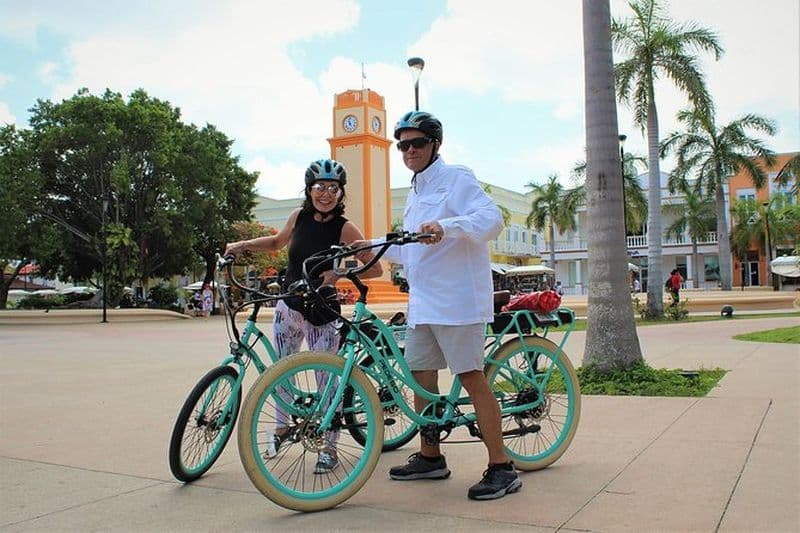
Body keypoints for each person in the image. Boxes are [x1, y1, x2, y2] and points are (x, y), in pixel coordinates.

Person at [354, 111, 519, 501]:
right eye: (403, 145)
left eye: (417, 143)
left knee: (471, 377)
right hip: (424, 304)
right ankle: (431, 457)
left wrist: (447, 227)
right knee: (421, 377)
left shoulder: (456, 178)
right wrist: (369, 246)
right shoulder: (415, 192)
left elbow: (491, 220)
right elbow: (411, 248)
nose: (409, 151)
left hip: (459, 301)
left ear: (435, 144)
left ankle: (501, 467)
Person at [224, 158, 382, 474]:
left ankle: (329, 448)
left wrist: (337, 273)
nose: (326, 194)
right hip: (289, 307)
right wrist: (241, 245)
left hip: (322, 312)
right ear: (309, 190)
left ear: (341, 193)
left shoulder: (345, 228)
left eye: (333, 188)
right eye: (320, 187)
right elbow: (276, 242)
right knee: (281, 371)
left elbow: (374, 268)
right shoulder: (298, 217)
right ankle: (282, 428)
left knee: (328, 380)